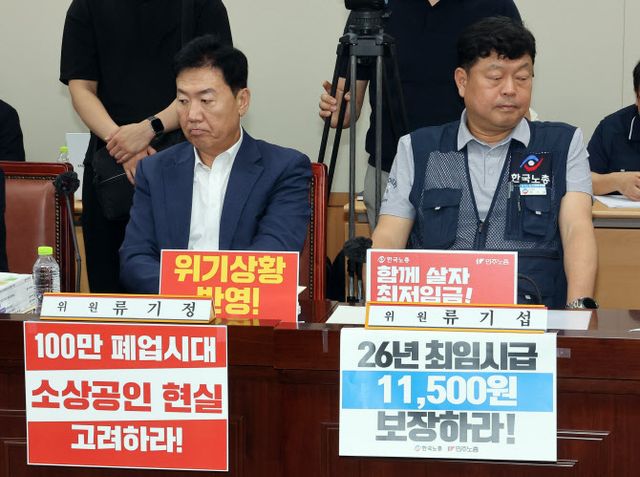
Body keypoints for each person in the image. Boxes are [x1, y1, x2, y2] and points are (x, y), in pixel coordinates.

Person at [371, 16, 598, 309]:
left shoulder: (562, 144)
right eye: (495, 77)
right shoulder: (419, 148)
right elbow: (389, 237)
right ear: (462, 81)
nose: (510, 89)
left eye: (522, 78)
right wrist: (381, 309)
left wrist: (577, 313)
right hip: (442, 311)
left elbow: (576, 229)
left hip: (533, 312)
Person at [60, 0, 232, 292]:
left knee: (186, 285)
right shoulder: (87, 6)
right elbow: (81, 88)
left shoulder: (203, 5)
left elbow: (213, 84)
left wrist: (147, 129)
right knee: (110, 288)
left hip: (187, 163)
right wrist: (122, 142)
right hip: (111, 173)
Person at [120, 36, 311, 294]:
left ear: (242, 101)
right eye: (183, 101)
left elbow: (272, 255)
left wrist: (204, 295)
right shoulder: (154, 170)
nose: (192, 115)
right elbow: (135, 259)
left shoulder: (284, 168)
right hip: (176, 310)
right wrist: (190, 299)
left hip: (245, 310)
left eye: (206, 100)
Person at [319, 0, 521, 226]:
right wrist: (339, 110)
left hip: (473, 167)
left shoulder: (495, 5)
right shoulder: (375, 5)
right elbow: (349, 102)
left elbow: (515, 81)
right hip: (390, 169)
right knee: (390, 248)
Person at [588, 60, 640, 200]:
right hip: (621, 214)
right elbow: (584, 180)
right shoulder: (611, 128)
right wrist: (617, 182)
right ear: (637, 97)